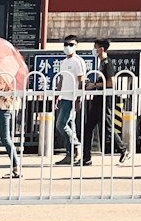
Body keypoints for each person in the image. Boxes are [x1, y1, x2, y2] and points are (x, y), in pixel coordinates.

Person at [82, 38, 128, 166]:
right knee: (88, 128)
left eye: (95, 47)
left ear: (101, 49)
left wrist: (94, 85)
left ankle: (123, 149)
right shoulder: (101, 63)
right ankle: (86, 157)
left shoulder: (107, 63)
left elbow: (111, 82)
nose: (94, 50)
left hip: (104, 100)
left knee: (107, 127)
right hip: (98, 99)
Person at [54, 35, 86, 164]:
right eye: (66, 44)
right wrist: (56, 95)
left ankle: (76, 146)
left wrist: (78, 98)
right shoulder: (64, 62)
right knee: (69, 126)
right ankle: (70, 154)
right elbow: (61, 80)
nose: (68, 47)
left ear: (76, 46)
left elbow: (81, 81)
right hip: (64, 97)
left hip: (72, 98)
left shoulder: (78, 62)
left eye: (71, 44)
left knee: (61, 124)